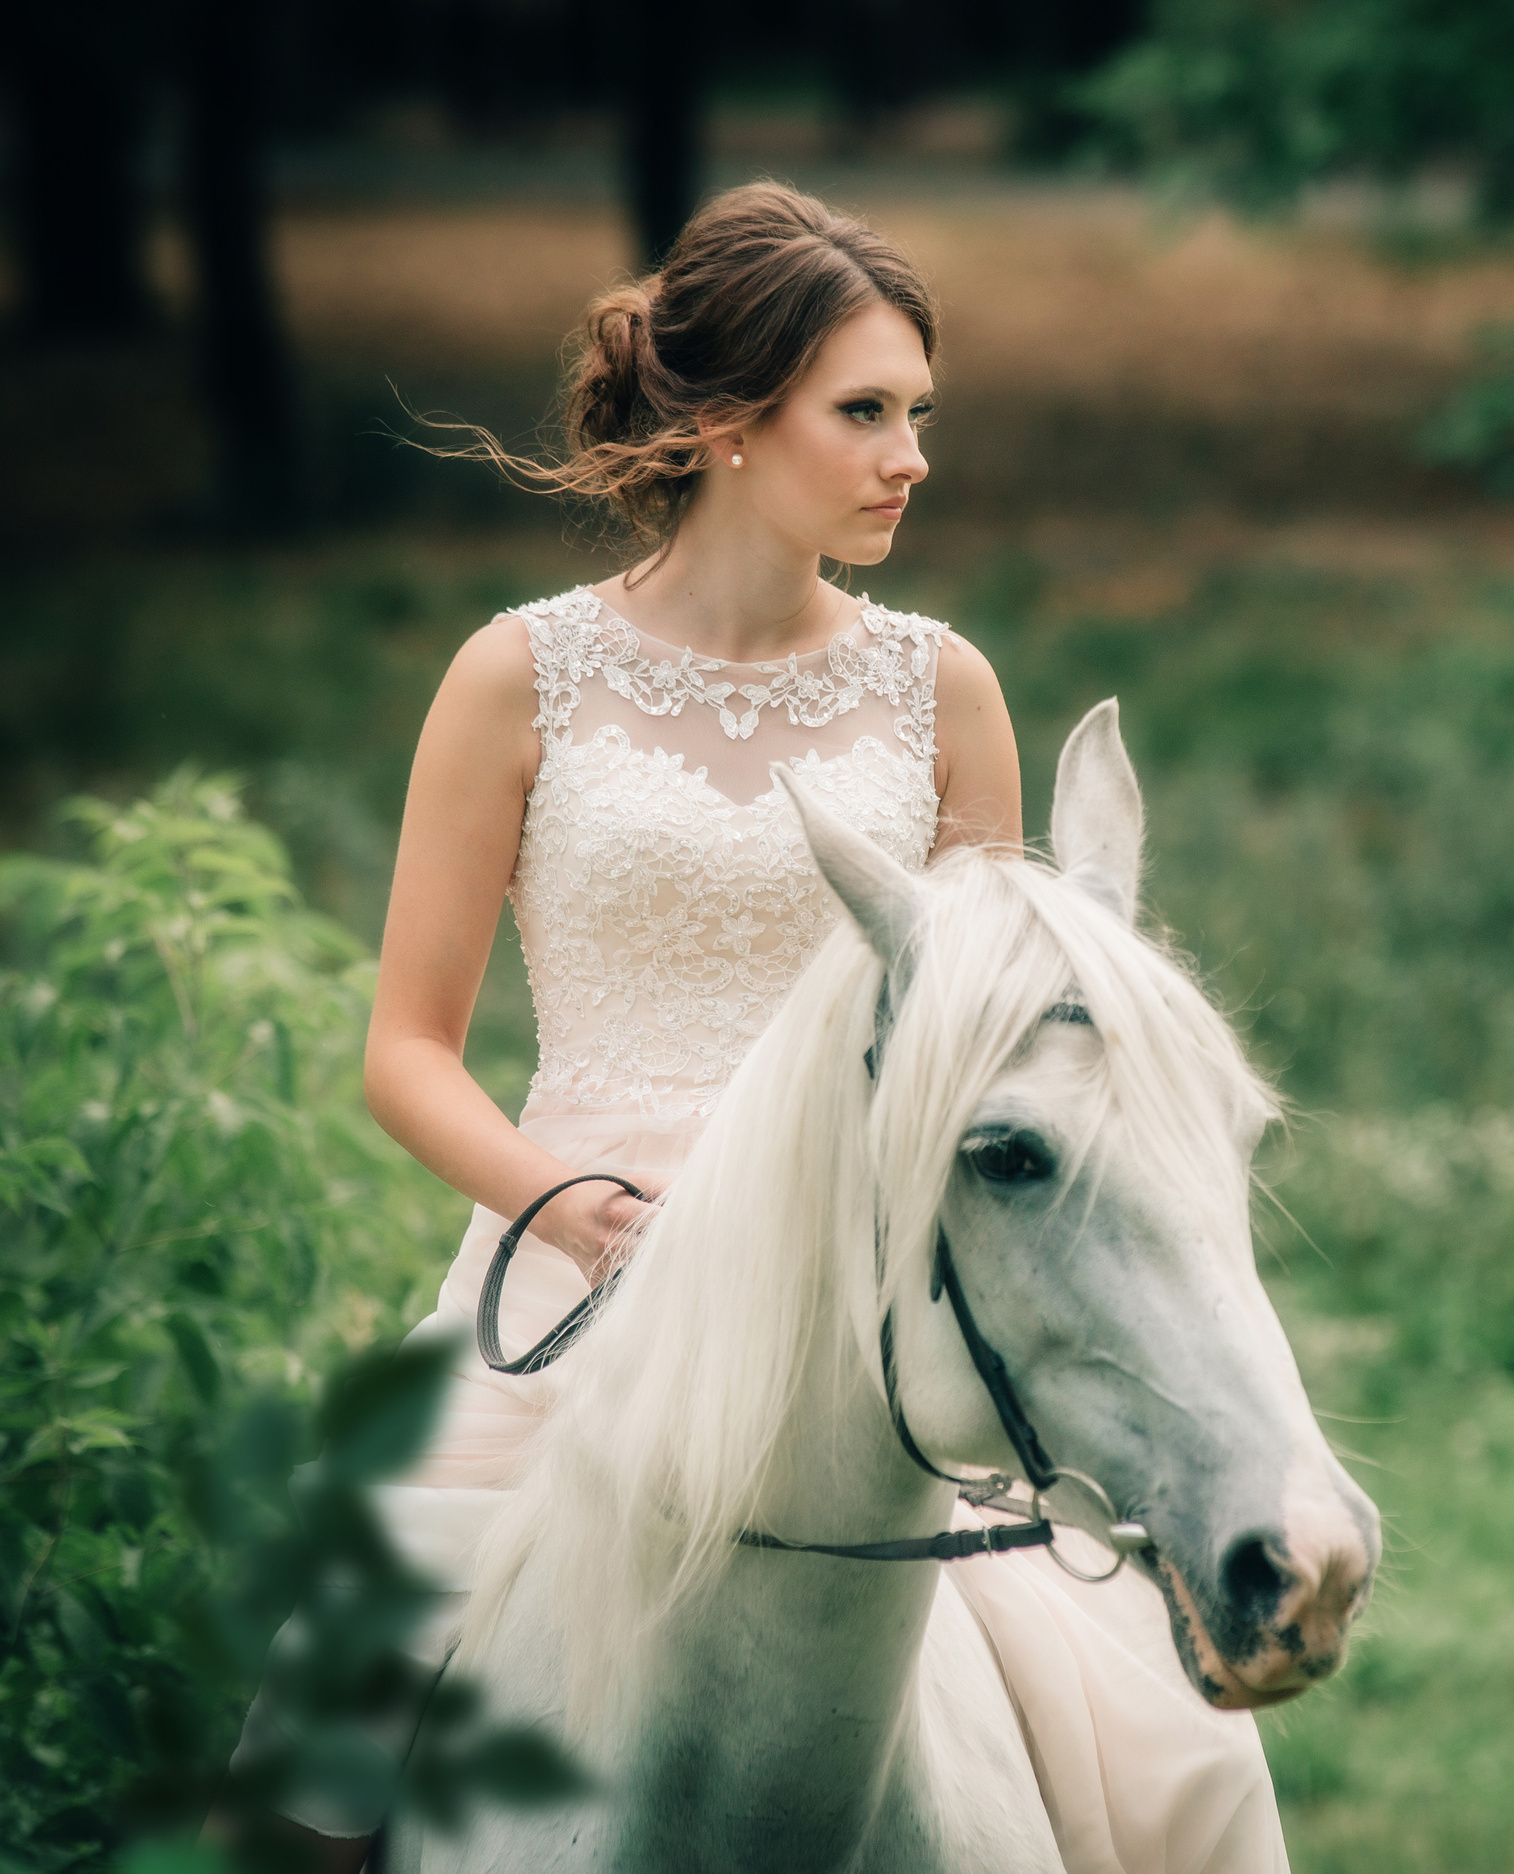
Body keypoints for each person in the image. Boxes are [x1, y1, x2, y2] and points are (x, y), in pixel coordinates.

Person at [231, 181, 1286, 1873]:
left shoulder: (943, 687)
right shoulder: (519, 677)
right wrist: (563, 1202)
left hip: (858, 1304)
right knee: (308, 1751)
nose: (909, 456)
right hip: (577, 1289)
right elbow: (405, 1052)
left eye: (918, 414)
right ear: (726, 421)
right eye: (863, 412)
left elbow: (995, 1037)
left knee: (1185, 1775)